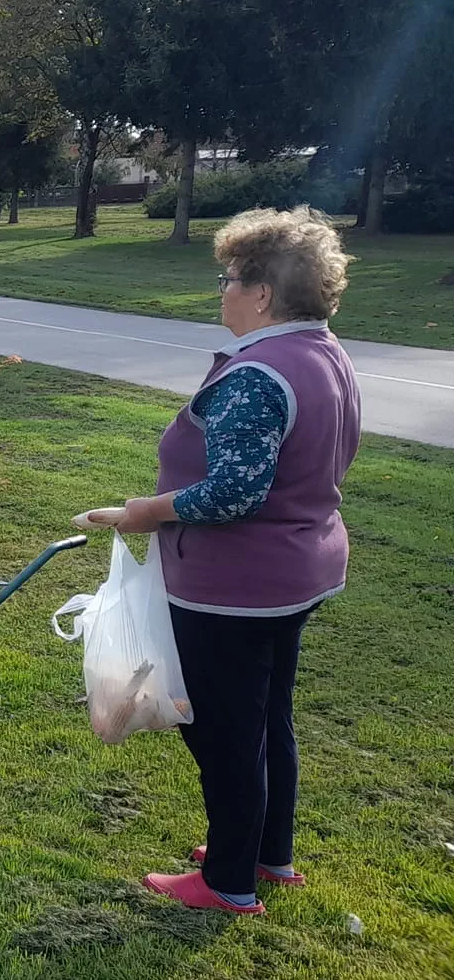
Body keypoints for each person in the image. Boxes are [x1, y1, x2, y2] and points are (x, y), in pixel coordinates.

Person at [94, 206, 361, 915]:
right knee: (267, 718)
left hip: (236, 588)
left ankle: (229, 883)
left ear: (263, 293)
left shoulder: (258, 374)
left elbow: (233, 493)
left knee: (225, 733)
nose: (223, 292)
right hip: (298, 571)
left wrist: (144, 511)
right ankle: (267, 853)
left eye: (230, 279)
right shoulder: (323, 351)